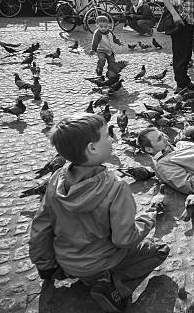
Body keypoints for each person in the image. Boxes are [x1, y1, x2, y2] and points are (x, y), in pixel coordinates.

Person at [28, 113, 169, 312]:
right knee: (160, 249)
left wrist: (45, 266)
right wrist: (150, 216)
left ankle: (87, 277)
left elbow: (40, 226)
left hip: (67, 263)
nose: (112, 139)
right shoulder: (116, 187)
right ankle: (114, 291)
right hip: (101, 262)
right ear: (92, 148)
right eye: (106, 135)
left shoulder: (57, 178)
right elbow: (124, 239)